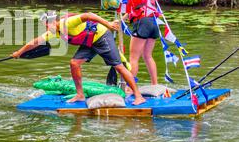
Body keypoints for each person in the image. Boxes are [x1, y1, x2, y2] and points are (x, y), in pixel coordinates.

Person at [12, 11, 146, 105]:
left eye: (48, 24)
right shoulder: (54, 31)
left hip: (101, 36)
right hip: (89, 43)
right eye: (45, 26)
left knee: (118, 66)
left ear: (55, 21)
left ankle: (138, 96)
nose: (47, 27)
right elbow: (35, 42)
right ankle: (80, 94)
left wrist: (108, 24)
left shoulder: (67, 23)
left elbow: (88, 15)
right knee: (74, 63)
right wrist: (19, 52)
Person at [122, 0, 160, 90]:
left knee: (133, 58)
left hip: (142, 22)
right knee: (148, 56)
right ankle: (155, 85)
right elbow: (136, 8)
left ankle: (129, 87)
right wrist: (121, 19)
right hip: (153, 23)